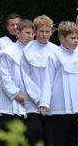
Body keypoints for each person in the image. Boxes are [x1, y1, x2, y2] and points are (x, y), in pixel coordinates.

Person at [0, 19, 34, 146]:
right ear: (18, 33)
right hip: (11, 102)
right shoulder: (8, 52)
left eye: (32, 33)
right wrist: (17, 95)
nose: (30, 36)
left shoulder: (35, 52)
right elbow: (5, 77)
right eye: (27, 33)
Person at [19, 15, 57, 145]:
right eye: (41, 31)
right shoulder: (27, 50)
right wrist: (39, 99)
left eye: (47, 31)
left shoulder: (55, 50)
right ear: (35, 32)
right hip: (33, 100)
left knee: (49, 135)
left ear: (52, 32)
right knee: (35, 132)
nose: (44, 35)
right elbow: (26, 78)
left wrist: (47, 100)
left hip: (51, 101)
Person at [39, 21, 78, 146]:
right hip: (59, 108)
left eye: (77, 38)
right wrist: (44, 102)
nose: (76, 41)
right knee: (60, 139)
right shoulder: (54, 55)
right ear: (62, 38)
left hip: (76, 105)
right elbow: (48, 80)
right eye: (72, 38)